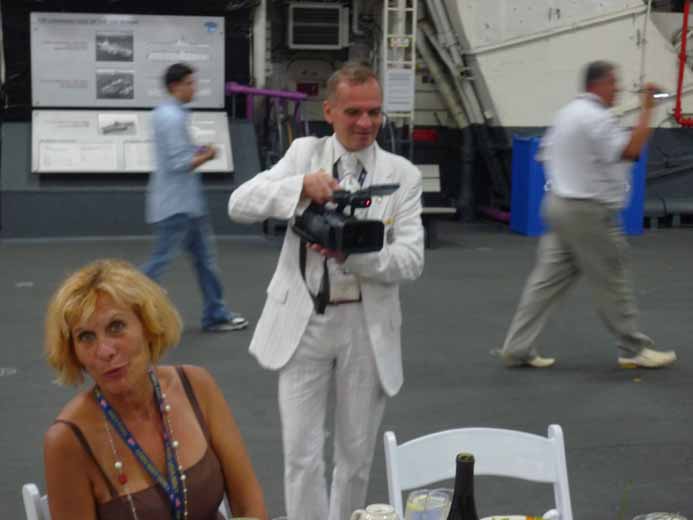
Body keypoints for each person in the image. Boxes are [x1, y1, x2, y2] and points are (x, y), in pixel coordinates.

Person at [228, 62, 424, 520]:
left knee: (356, 459)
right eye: (353, 111)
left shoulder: (403, 174)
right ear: (330, 110)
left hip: (365, 326)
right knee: (301, 456)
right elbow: (239, 204)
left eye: (374, 112)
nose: (365, 123)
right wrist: (299, 187)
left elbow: (411, 261)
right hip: (304, 323)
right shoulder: (304, 154)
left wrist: (353, 256)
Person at [43, 259, 268, 520]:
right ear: (73, 352)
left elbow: (250, 507)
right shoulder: (67, 441)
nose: (104, 351)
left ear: (148, 326)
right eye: (86, 337)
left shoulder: (196, 386)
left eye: (116, 327)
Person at [497, 60, 677, 369]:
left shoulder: (566, 115)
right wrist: (648, 109)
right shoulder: (596, 119)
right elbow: (631, 151)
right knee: (612, 278)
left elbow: (544, 155)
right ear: (598, 85)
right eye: (613, 83)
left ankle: (518, 346)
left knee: (545, 283)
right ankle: (633, 348)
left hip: (559, 204)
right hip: (588, 213)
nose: (618, 88)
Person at [142, 62, 247, 332]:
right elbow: (179, 162)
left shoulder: (166, 113)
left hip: (183, 205)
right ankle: (123, 305)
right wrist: (208, 155)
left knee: (204, 262)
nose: (194, 88)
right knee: (160, 263)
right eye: (189, 83)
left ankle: (215, 314)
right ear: (175, 86)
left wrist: (197, 148)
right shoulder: (173, 117)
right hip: (178, 207)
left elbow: (176, 153)